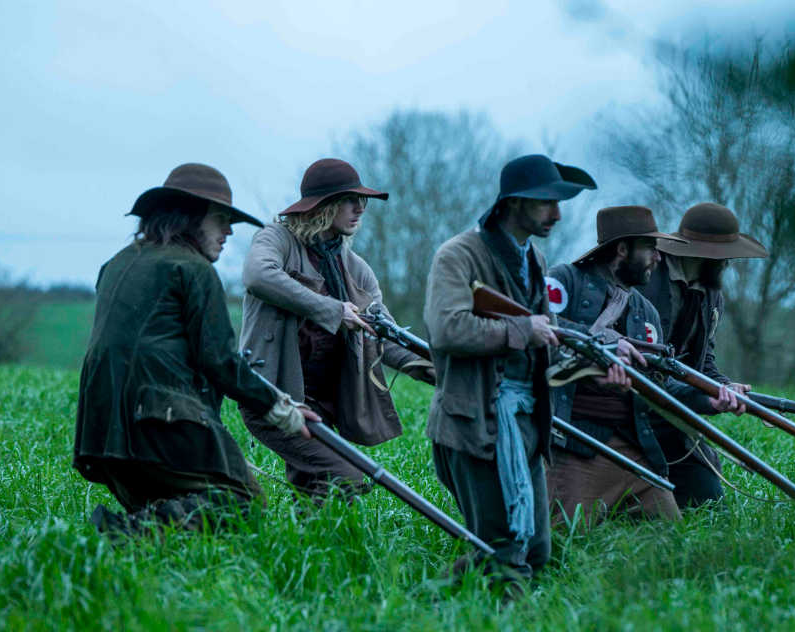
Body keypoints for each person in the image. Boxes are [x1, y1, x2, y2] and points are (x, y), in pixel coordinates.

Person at [74, 163, 312, 535]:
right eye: (220, 219)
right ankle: (120, 536)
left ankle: (129, 538)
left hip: (100, 429)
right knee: (241, 505)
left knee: (169, 509)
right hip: (157, 418)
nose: (229, 231)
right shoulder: (194, 269)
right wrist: (278, 406)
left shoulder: (117, 263)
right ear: (189, 217)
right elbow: (219, 360)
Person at [424, 154, 596, 590]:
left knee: (535, 549)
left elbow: (546, 329)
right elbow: (447, 329)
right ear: (514, 203)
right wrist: (522, 329)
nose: (556, 214)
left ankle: (429, 600)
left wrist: (605, 346)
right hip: (475, 422)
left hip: (523, 421)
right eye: (546, 203)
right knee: (505, 555)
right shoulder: (457, 255)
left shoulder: (531, 255)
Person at [240, 158, 429, 501]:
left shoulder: (356, 269)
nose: (360, 208)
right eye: (349, 200)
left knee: (317, 496)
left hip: (324, 405)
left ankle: (302, 554)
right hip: (272, 395)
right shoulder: (277, 240)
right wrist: (332, 309)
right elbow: (258, 275)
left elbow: (386, 336)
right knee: (346, 477)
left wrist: (443, 369)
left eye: (362, 201)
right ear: (323, 205)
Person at [544, 205, 743, 524]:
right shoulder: (565, 280)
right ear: (622, 250)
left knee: (670, 536)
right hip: (573, 436)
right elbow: (537, 327)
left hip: (634, 438)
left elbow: (661, 383)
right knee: (559, 541)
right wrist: (603, 346)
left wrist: (710, 396)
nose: (658, 257)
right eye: (650, 248)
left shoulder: (643, 310)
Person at [636, 202, 768, 508]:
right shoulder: (646, 281)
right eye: (725, 255)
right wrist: (705, 399)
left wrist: (724, 385)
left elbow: (703, 361)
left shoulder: (711, 293)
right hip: (633, 416)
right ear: (705, 252)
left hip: (676, 419)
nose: (729, 262)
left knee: (709, 504)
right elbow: (645, 370)